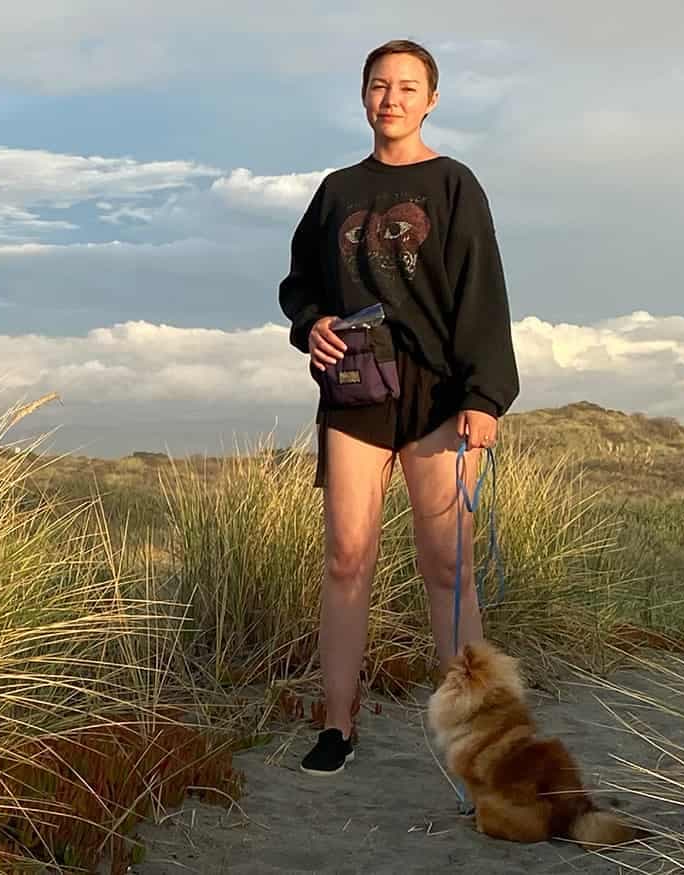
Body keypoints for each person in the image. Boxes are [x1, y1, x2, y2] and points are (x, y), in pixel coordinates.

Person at [277, 39, 520, 776]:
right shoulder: (338, 190)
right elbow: (301, 284)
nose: (392, 98)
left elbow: (482, 291)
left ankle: (473, 740)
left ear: (431, 99)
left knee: (448, 566)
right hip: (356, 387)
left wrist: (486, 395)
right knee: (347, 557)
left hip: (441, 392)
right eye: (380, 85)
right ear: (362, 95)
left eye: (407, 87)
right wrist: (311, 323)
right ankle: (337, 726)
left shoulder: (454, 184)